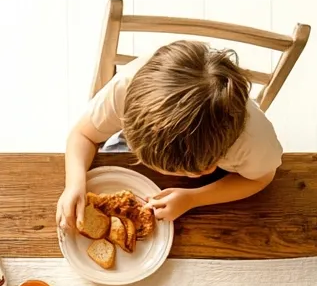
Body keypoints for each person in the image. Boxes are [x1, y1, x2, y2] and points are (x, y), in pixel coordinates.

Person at [56, 40, 283, 229]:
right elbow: (82, 135)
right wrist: (74, 181)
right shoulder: (128, 90)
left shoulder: (257, 144)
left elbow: (262, 177)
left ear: (204, 170)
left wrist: (194, 198)